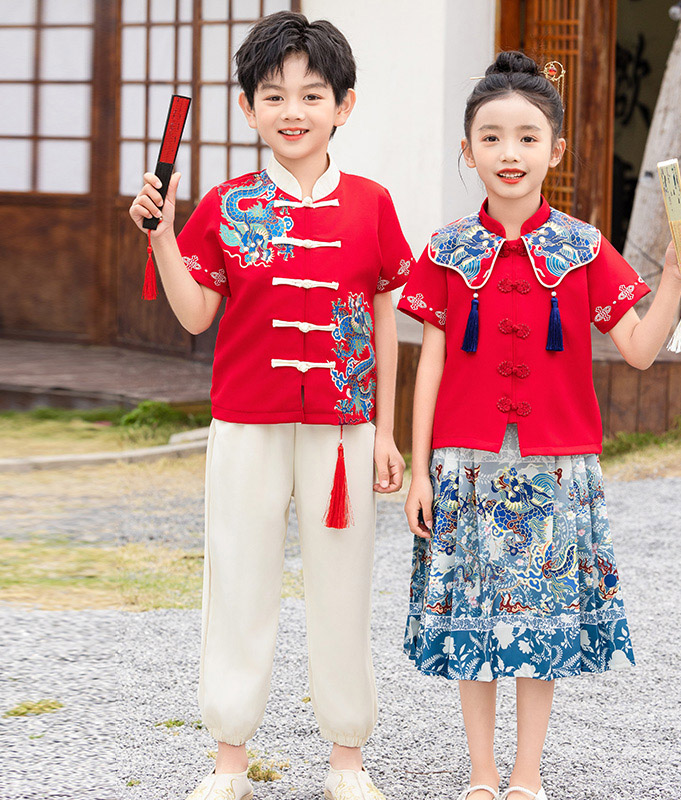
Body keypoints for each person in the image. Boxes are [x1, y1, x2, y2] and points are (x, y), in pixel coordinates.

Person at [399, 51, 681, 800]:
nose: (511, 153)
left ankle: (528, 774)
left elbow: (636, 348)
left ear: (556, 151)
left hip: (556, 464)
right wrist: (417, 467)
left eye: (528, 137)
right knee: (473, 623)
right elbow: (430, 365)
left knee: (541, 628)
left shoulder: (583, 247)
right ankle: (479, 774)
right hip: (465, 464)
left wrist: (672, 278)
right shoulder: (444, 249)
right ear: (466, 150)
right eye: (492, 137)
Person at [129, 11, 412, 800]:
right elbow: (192, 314)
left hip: (344, 430)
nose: (293, 110)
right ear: (249, 108)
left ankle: (346, 759)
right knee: (239, 579)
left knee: (344, 584)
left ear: (343, 106)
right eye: (273, 94)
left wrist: (387, 433)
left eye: (312, 94)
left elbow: (388, 316)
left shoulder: (373, 204)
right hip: (246, 423)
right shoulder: (222, 205)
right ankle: (229, 762)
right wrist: (159, 235)